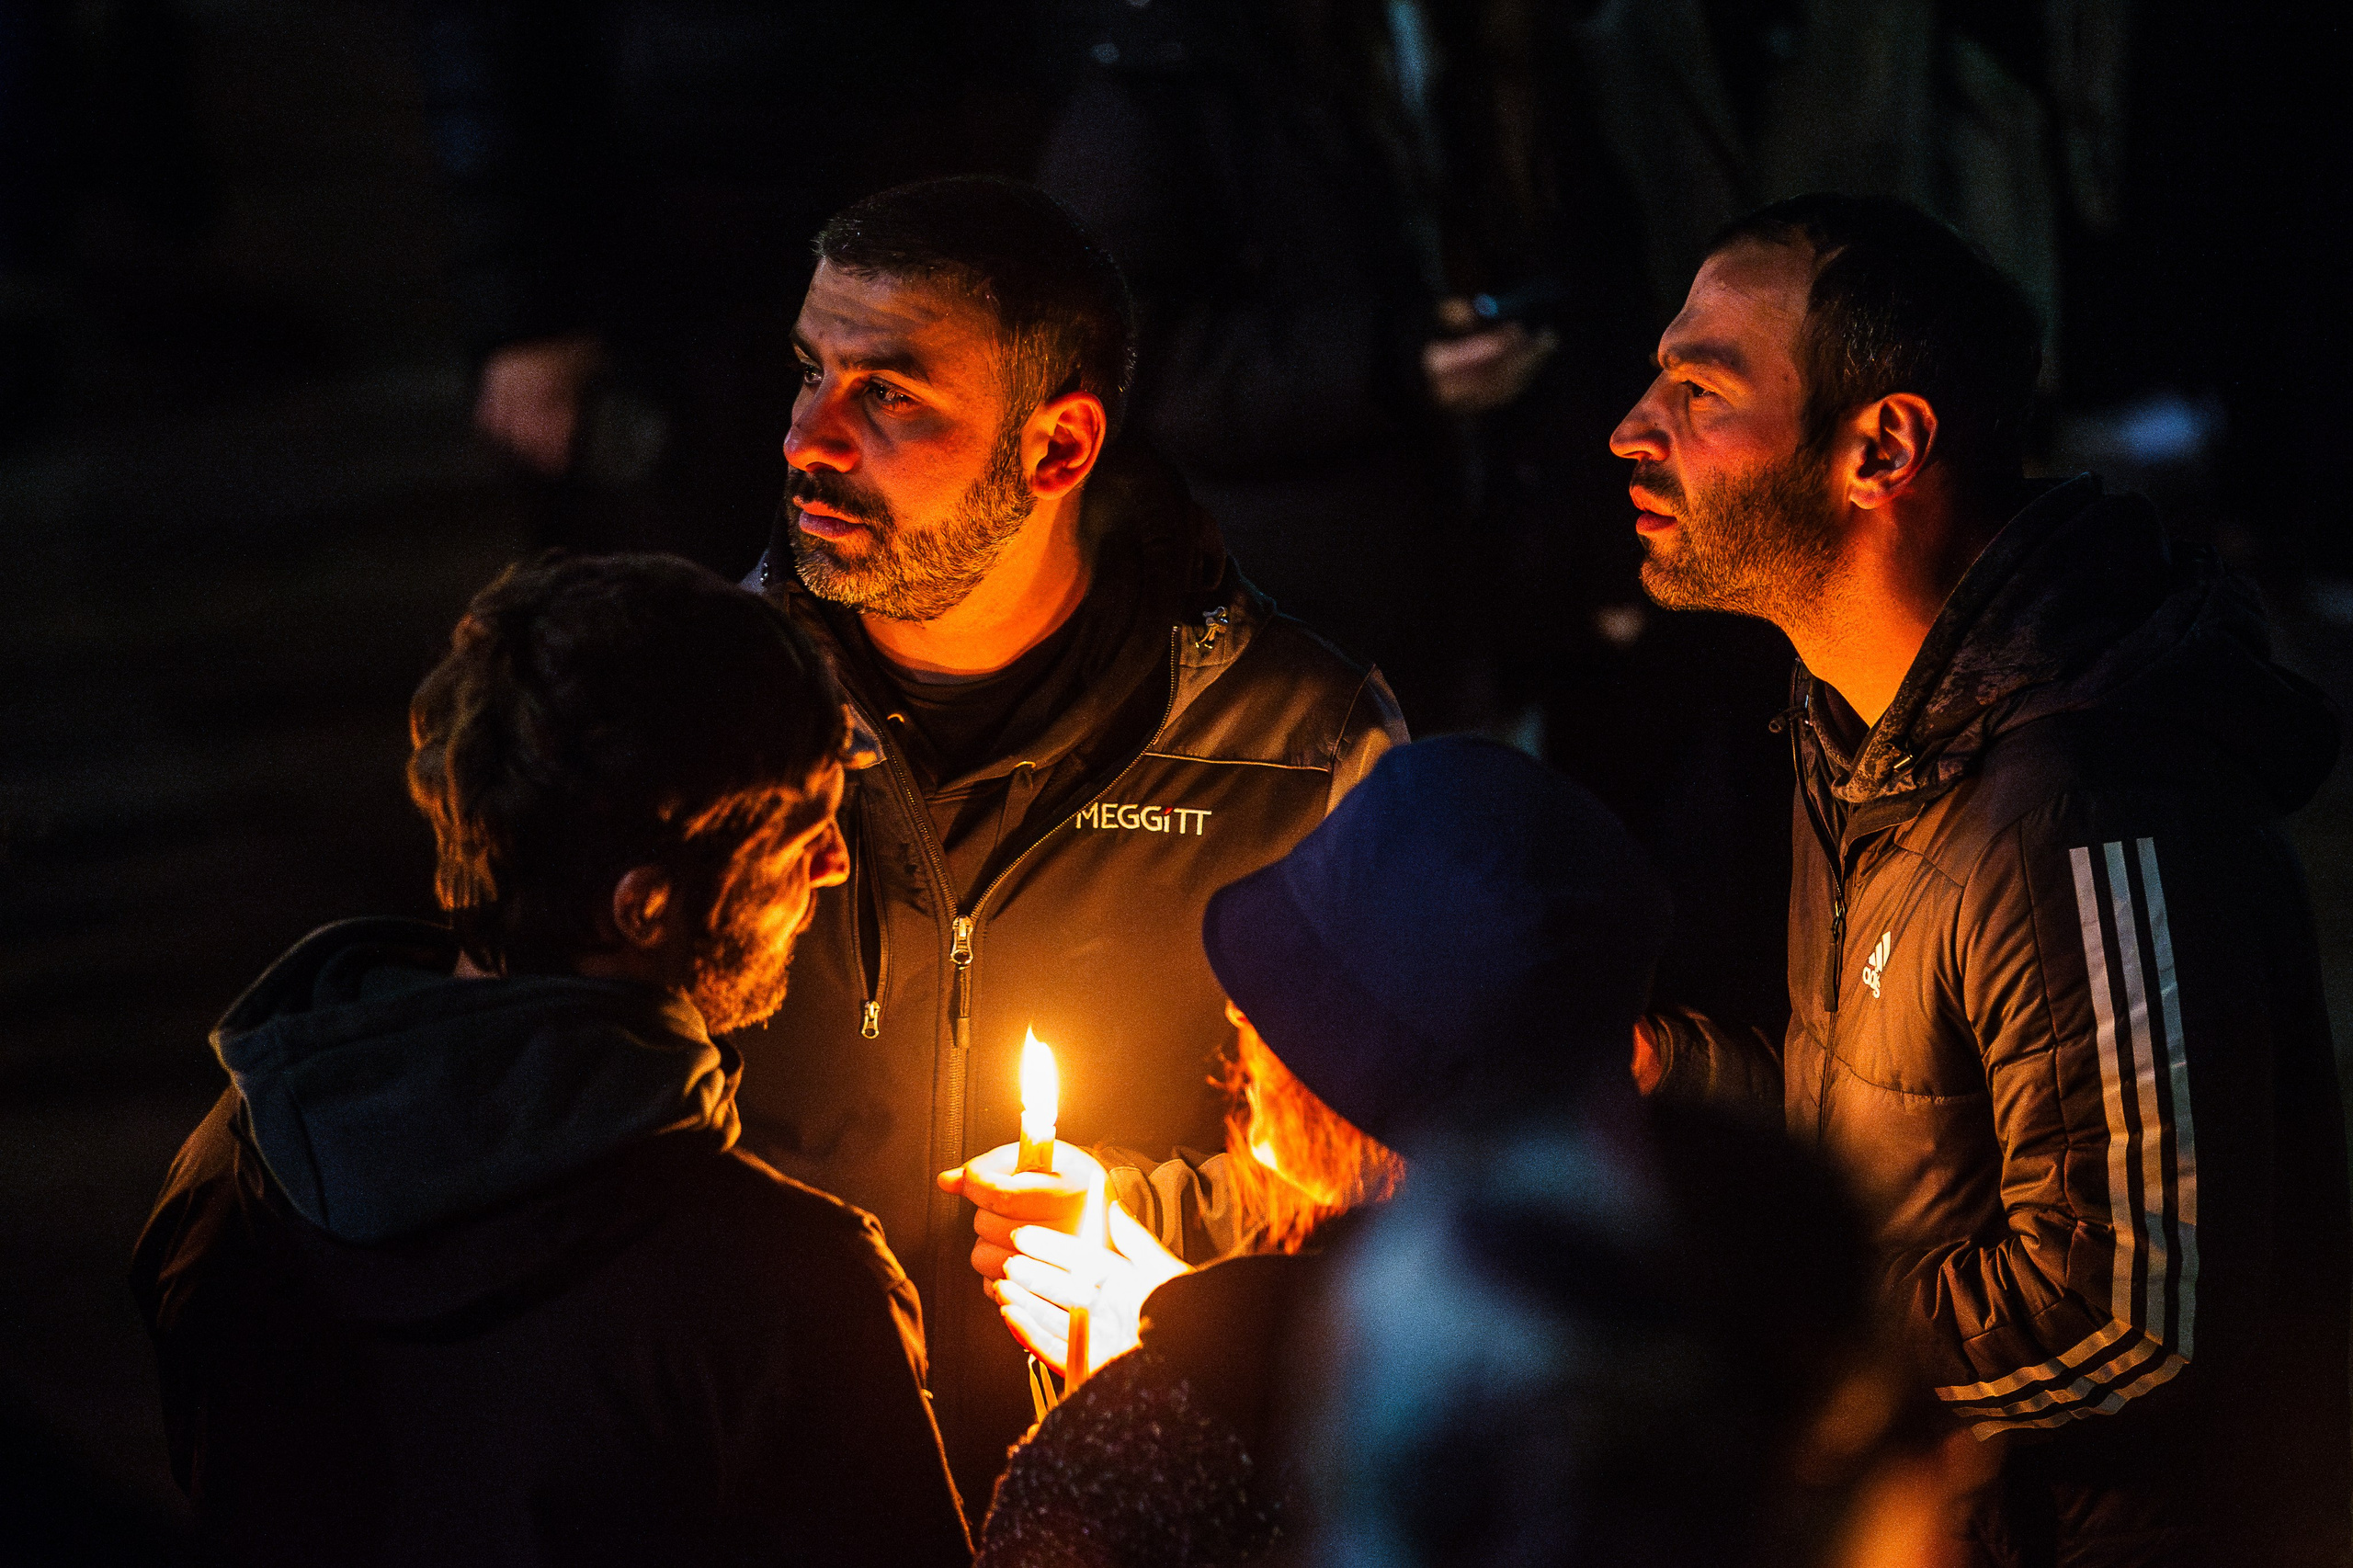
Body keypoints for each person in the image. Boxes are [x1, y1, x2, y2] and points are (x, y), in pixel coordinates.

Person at [1612, 193, 2349, 1563]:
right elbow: (1923, 1126)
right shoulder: (1864, 732)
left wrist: (1761, 1346)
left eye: (1699, 387)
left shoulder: (2081, 801)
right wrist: (1679, 1078)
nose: (1633, 427)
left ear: (1878, 448)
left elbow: (2130, 1310)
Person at [726, 175, 1407, 1513]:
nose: (810, 437)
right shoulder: (705, 714)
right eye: (809, 372)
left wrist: (1142, 1241)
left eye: (890, 396)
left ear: (1057, 448)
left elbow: (1391, 1184)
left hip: (1134, 1502)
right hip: (772, 1499)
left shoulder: (1298, 745)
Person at [129, 554, 971, 1567]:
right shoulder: (783, 1292)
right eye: (799, 831)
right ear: (644, 904)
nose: (836, 861)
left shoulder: (233, 1162)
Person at [944, 736, 1679, 1562]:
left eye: (1289, 994)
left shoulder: (1155, 1448)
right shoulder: (1677, 1368)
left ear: (1361, 1073)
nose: (1238, 1017)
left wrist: (1173, 1381)